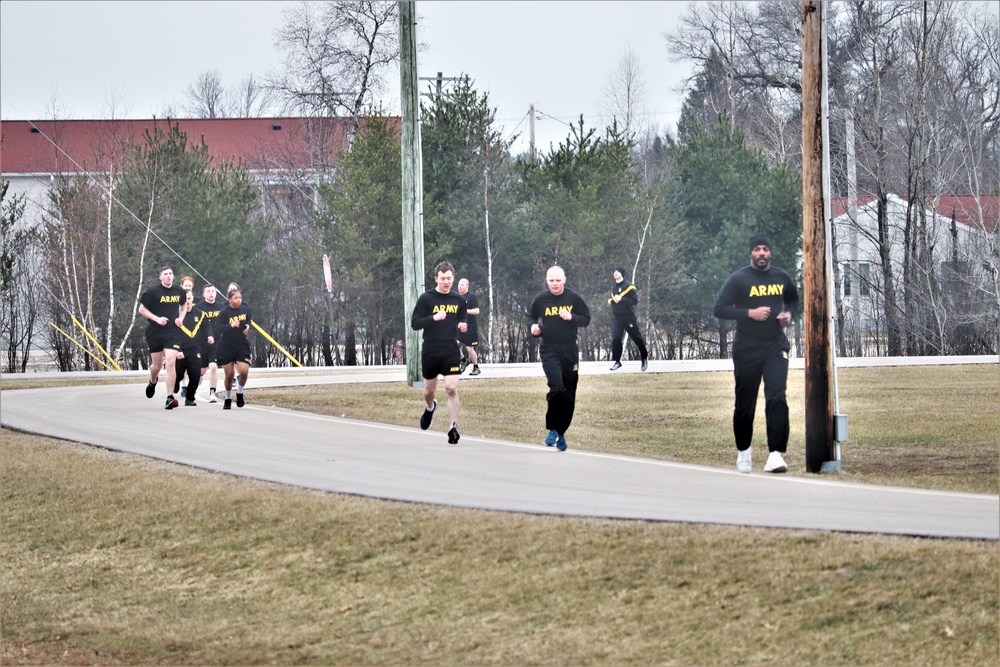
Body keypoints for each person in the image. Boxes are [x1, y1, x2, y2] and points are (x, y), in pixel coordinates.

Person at [713, 234, 800, 474]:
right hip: (746, 348)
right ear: (750, 253)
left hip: (775, 346)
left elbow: (793, 300)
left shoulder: (781, 277)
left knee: (776, 396)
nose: (762, 253)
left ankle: (775, 454)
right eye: (757, 250)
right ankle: (744, 452)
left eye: (765, 249)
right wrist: (749, 313)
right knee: (745, 403)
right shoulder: (739, 279)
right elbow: (719, 309)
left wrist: (789, 315)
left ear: (770, 253)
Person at [528, 265, 591, 451]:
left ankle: (561, 432)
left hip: (569, 350)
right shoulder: (540, 299)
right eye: (551, 280)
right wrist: (533, 329)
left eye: (558, 280)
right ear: (546, 281)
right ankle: (552, 430)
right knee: (556, 387)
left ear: (564, 279)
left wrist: (571, 317)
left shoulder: (573, 298)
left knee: (569, 393)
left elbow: (586, 319)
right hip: (549, 349)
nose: (555, 284)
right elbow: (530, 318)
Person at [411, 261, 468, 444]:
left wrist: (463, 325)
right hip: (431, 348)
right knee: (429, 392)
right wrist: (433, 318)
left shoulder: (458, 299)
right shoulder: (426, 299)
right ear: (436, 279)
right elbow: (415, 323)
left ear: (453, 278)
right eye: (442, 278)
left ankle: (453, 428)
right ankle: (430, 408)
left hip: (450, 348)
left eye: (449, 278)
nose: (446, 282)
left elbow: (462, 317)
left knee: (451, 388)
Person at [137, 265, 186, 409]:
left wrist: (181, 318)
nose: (169, 276)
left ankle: (170, 398)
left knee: (170, 362)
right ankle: (153, 380)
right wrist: (157, 319)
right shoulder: (153, 291)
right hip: (155, 331)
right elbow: (142, 309)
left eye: (170, 273)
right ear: (160, 277)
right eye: (165, 274)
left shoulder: (179, 291)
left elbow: (183, 306)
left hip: (172, 331)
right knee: (157, 366)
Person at [214, 286, 253, 410]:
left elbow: (248, 320)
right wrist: (230, 325)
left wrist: (248, 326)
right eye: (235, 298)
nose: (239, 300)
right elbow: (217, 328)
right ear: (229, 299)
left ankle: (240, 393)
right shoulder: (224, 312)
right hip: (227, 345)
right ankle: (228, 398)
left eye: (240, 297)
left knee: (243, 371)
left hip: (241, 344)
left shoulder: (245, 309)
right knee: (229, 375)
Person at [607, 265, 649, 372]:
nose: (615, 273)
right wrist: (612, 301)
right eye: (614, 271)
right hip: (617, 316)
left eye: (618, 271)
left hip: (628, 317)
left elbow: (634, 301)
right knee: (616, 339)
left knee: (636, 338)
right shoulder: (614, 287)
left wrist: (621, 299)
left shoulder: (629, 286)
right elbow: (616, 298)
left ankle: (644, 357)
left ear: (622, 273)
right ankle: (617, 361)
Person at [173, 290, 208, 406]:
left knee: (195, 375)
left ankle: (190, 398)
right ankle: (175, 383)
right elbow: (172, 334)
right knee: (178, 374)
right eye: (185, 299)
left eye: (189, 298)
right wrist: (178, 350)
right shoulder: (176, 315)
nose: (187, 301)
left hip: (195, 349)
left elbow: (207, 328)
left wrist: (210, 336)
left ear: (193, 299)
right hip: (180, 349)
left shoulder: (200, 313)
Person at [196, 284, 222, 402]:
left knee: (213, 366)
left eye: (213, 291)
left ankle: (212, 392)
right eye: (208, 291)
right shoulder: (199, 307)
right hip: (202, 342)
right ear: (204, 294)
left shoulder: (221, 306)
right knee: (202, 369)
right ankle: (199, 377)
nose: (211, 293)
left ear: (216, 293)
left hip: (216, 342)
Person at [457, 278, 482, 376]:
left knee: (469, 348)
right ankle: (463, 360)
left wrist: (466, 311)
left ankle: (476, 367)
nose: (460, 287)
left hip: (470, 325)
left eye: (462, 285)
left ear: (467, 286)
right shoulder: (456, 297)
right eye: (459, 285)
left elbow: (477, 311)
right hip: (459, 325)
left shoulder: (471, 297)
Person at [177, 275, 196, 398]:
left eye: (190, 286)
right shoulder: (177, 299)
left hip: (191, 338)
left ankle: (188, 385)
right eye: (186, 286)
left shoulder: (196, 302)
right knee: (180, 367)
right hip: (178, 337)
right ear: (181, 286)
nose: (188, 288)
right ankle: (182, 385)